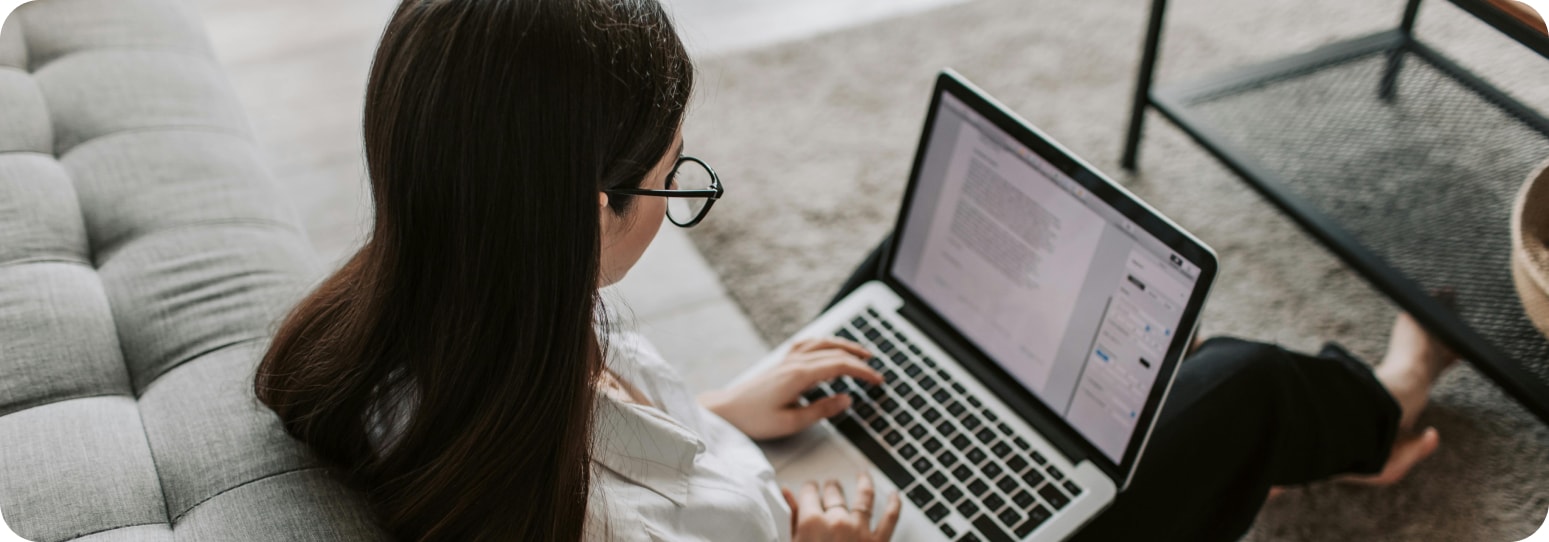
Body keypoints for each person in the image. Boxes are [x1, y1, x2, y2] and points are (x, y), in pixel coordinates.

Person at [252, 1, 1456, 540]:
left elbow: (579, 441)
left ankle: (1094, 382)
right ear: (581, 210)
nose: (680, 199)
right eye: (672, 183)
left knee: (909, 289)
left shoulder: (427, 318)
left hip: (741, 472)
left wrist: (721, 413)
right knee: (1240, 381)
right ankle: (1379, 407)